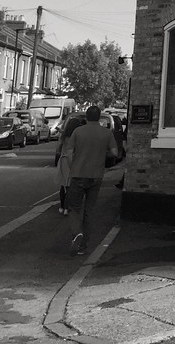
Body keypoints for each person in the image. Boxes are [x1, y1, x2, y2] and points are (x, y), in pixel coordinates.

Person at [64, 105, 119, 256]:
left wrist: (72, 167)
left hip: (78, 174)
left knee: (73, 207)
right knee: (89, 211)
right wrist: (102, 154)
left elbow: (69, 153)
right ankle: (84, 246)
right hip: (96, 176)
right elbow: (114, 153)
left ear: (86, 117)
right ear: (99, 117)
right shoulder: (106, 133)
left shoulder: (78, 131)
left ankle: (76, 233)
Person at [54, 115, 86, 215]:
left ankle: (62, 206)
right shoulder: (78, 137)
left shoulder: (63, 136)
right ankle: (67, 208)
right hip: (73, 161)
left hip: (63, 160)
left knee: (63, 185)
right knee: (71, 186)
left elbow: (58, 149)